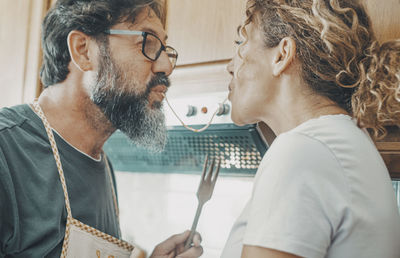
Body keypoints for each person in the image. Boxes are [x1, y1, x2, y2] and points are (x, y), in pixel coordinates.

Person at [0, 0, 203, 257]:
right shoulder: (6, 152)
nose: (166, 66)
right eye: (147, 42)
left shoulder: (104, 166)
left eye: (164, 49)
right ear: (83, 51)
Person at [221, 0, 400, 257]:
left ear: (282, 55)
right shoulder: (332, 143)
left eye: (241, 44)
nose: (230, 67)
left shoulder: (302, 151)